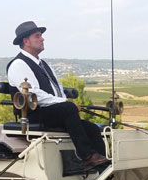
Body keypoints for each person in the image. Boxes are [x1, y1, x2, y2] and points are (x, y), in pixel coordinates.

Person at [7, 21, 107, 167]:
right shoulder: (19, 64)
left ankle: (102, 167)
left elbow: (58, 89)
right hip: (35, 113)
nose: (42, 39)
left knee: (92, 129)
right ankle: (86, 155)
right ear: (26, 41)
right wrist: (65, 104)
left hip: (51, 112)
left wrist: (64, 101)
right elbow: (35, 95)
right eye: (38, 36)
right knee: (68, 108)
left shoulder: (43, 64)